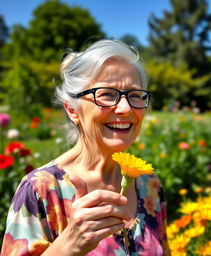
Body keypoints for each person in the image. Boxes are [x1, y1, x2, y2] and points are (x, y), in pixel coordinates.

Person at [1, 39, 170, 256]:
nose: (126, 108)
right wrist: (68, 246)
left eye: (136, 95)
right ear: (72, 110)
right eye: (107, 94)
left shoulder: (149, 185)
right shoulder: (40, 190)